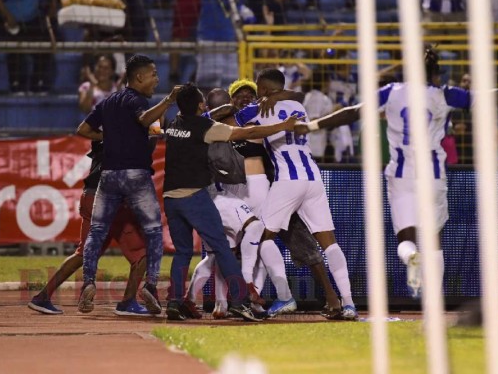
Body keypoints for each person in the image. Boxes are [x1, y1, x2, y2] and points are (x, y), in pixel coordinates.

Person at [294, 47, 498, 298]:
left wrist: (311, 126)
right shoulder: (444, 95)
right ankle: (435, 301)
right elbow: (488, 97)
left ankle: (412, 256)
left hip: (401, 176)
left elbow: (353, 112)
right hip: (432, 175)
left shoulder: (391, 92)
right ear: (435, 74)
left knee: (406, 240)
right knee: (434, 239)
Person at [162, 82, 301, 322]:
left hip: (170, 198)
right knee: (223, 248)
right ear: (199, 105)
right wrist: (284, 126)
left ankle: (176, 302)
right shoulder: (205, 127)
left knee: (183, 252)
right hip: (195, 196)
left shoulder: (174, 124)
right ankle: (239, 300)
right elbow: (246, 132)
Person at [212, 79, 348, 319]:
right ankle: (232, 303)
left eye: (250, 94)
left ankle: (328, 297)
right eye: (239, 95)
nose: (245, 98)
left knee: (305, 248)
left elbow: (296, 94)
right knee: (233, 248)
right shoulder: (226, 125)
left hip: (276, 190)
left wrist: (272, 99)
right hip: (235, 194)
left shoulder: (264, 117)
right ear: (231, 101)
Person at [76, 55, 180, 314]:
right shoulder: (139, 101)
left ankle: (88, 282)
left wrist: (109, 137)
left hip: (109, 175)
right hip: (136, 175)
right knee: (154, 232)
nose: (157, 79)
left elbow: (83, 130)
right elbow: (146, 122)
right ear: (139, 77)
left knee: (97, 232)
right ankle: (150, 286)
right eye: (154, 74)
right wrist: (168, 102)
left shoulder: (108, 102)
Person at [28, 141, 151, 316]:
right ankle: (127, 302)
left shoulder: (103, 125)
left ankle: (43, 296)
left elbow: (88, 132)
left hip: (89, 195)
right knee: (142, 253)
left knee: (84, 252)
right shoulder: (128, 129)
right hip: (112, 198)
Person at [187, 0, 275, 90]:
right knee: (207, 82)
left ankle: (227, 107)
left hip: (231, 40)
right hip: (208, 38)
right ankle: (205, 107)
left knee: (230, 83)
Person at [0, 0, 56, 94]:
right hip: (12, 21)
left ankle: (37, 85)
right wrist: (7, 16)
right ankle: (17, 86)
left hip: (32, 19)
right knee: (15, 53)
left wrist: (52, 4)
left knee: (45, 48)